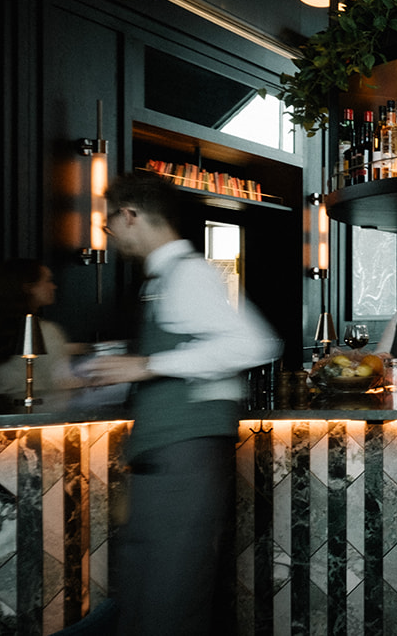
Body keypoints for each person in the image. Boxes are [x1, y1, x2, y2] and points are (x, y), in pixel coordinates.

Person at [84, 172, 281, 636]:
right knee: (151, 603)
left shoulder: (187, 272)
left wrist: (148, 365)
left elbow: (254, 343)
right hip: (169, 464)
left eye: (110, 220)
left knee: (168, 609)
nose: (108, 232)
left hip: (184, 461)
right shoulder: (164, 276)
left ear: (129, 215)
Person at [0, 258, 82, 401]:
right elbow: (62, 381)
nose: (54, 286)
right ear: (28, 287)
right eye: (47, 280)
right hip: (44, 412)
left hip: (4, 415)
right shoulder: (44, 331)